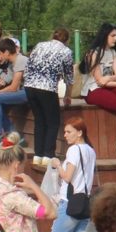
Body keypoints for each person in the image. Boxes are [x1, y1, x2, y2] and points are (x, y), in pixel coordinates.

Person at [42, 118, 97, 232]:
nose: (65, 136)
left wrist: (58, 165)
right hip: (85, 204)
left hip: (69, 203)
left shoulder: (74, 150)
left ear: (79, 132)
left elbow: (67, 177)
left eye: (69, 132)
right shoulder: (91, 150)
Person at [24, 29, 76, 165]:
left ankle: (38, 154)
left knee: (39, 121)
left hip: (30, 86)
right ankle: (48, 155)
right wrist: (67, 95)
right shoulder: (66, 52)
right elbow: (69, 77)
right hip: (47, 88)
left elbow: (28, 66)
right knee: (53, 122)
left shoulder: (39, 45)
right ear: (67, 40)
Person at [81, 23, 116, 145]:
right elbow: (100, 82)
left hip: (107, 86)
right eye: (113, 36)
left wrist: (110, 78)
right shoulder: (93, 54)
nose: (115, 39)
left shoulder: (112, 53)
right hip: (93, 90)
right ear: (104, 35)